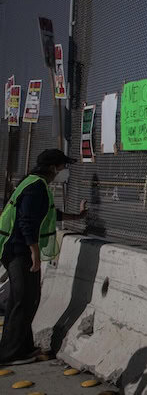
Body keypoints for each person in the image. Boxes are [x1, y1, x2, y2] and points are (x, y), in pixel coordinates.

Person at [0, 149, 87, 365]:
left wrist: (77, 216)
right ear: (52, 167)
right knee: (22, 300)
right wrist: (35, 254)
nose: (64, 171)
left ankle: (22, 347)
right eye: (62, 166)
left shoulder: (35, 184)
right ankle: (11, 353)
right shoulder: (36, 187)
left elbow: (48, 213)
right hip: (19, 250)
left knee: (25, 300)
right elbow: (26, 221)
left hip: (14, 249)